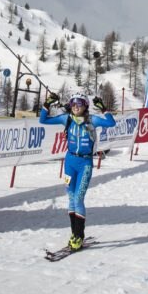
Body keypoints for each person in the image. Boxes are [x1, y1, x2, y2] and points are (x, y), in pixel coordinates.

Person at [39, 90, 115, 250]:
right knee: (72, 198)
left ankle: (79, 237)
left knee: (79, 199)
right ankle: (74, 234)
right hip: (70, 162)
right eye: (73, 103)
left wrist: (103, 108)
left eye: (79, 103)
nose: (75, 106)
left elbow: (111, 123)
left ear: (85, 106)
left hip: (84, 163)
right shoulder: (66, 118)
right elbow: (43, 119)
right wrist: (48, 103)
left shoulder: (92, 120)